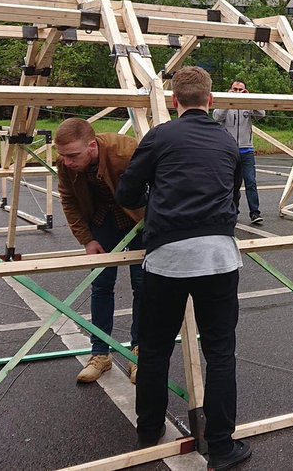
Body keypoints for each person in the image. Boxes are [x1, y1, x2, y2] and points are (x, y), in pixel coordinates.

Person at [115, 66, 251, 469]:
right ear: (211, 100)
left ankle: (148, 430)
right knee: (220, 352)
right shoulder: (227, 141)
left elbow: (127, 191)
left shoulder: (160, 136)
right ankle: (221, 446)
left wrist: (155, 205)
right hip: (219, 256)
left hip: (168, 257)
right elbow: (233, 196)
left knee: (155, 349)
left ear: (175, 101)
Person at [56, 118, 145, 384]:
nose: (67, 162)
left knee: (143, 284)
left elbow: (161, 185)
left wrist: (154, 226)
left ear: (92, 146)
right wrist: (87, 240)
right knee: (101, 284)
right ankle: (100, 354)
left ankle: (139, 352)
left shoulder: (127, 151)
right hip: (103, 220)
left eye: (73, 155)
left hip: (139, 218)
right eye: (63, 156)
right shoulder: (65, 162)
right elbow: (69, 200)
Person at [213, 80, 266, 226]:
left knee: (251, 182)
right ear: (230, 90)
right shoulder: (224, 104)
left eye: (240, 90)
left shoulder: (247, 105)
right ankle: (233, 212)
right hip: (229, 151)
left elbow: (261, 114)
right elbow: (217, 117)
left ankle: (255, 212)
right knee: (231, 184)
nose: (237, 92)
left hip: (246, 150)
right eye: (235, 89)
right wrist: (228, 101)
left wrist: (250, 100)